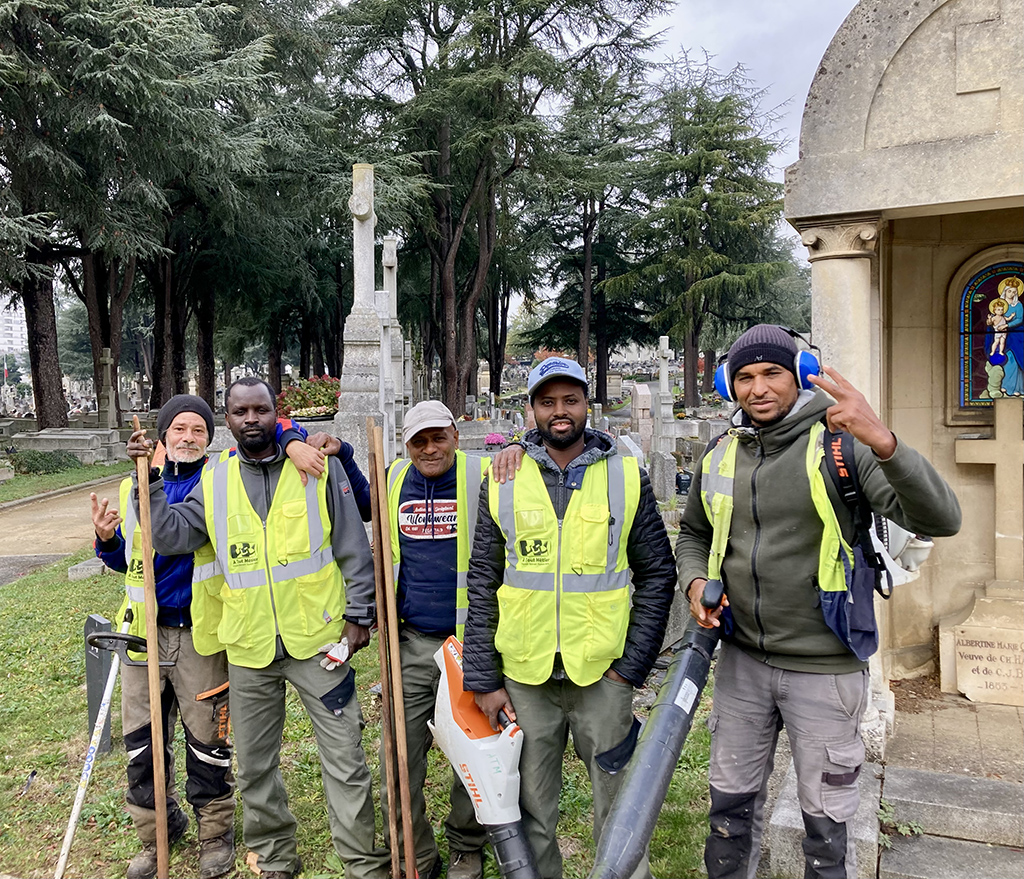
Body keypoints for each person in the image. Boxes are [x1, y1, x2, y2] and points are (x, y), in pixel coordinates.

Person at [676, 325, 961, 879]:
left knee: (825, 825)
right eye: (744, 377)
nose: (758, 388)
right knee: (728, 816)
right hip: (741, 662)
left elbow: (941, 519)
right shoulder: (720, 453)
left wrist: (883, 440)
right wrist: (693, 583)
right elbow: (692, 533)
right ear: (728, 385)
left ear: (801, 376)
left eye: (772, 373)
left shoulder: (843, 446)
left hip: (825, 669)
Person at [126, 377, 389, 879]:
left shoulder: (315, 466)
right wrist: (150, 480)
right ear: (228, 420)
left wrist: (360, 613)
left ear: (277, 413)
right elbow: (169, 535)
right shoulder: (215, 480)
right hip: (248, 649)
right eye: (240, 411)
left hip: (318, 642)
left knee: (345, 759)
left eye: (261, 410)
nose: (251, 419)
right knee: (254, 764)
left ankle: (361, 862)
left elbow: (353, 546)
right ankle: (273, 857)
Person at [92, 395, 333, 879]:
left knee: (207, 740)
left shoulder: (222, 478)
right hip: (144, 636)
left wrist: (288, 440)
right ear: (162, 436)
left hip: (201, 635)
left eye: (197, 430)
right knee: (141, 740)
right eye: (178, 429)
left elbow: (267, 422)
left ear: (211, 437)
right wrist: (106, 541)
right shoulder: (132, 485)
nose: (187, 437)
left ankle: (215, 833)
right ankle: (156, 831)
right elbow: (132, 561)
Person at [463, 357, 677, 879]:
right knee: (532, 806)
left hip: (602, 675)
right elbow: (483, 581)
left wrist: (631, 668)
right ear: (532, 409)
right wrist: (485, 677)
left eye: (570, 400)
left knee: (619, 802)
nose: (560, 413)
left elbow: (658, 574)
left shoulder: (626, 477)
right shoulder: (504, 480)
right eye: (547, 402)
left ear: (587, 404)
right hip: (526, 676)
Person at [379, 400, 520, 879]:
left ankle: (466, 844)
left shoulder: (486, 474)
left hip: (472, 644)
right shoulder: (394, 480)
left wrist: (521, 444)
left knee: (475, 754)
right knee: (399, 757)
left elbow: (546, 460)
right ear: (406, 445)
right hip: (413, 642)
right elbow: (350, 495)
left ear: (456, 437)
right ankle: (413, 853)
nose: (430, 448)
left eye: (438, 437)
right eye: (419, 440)